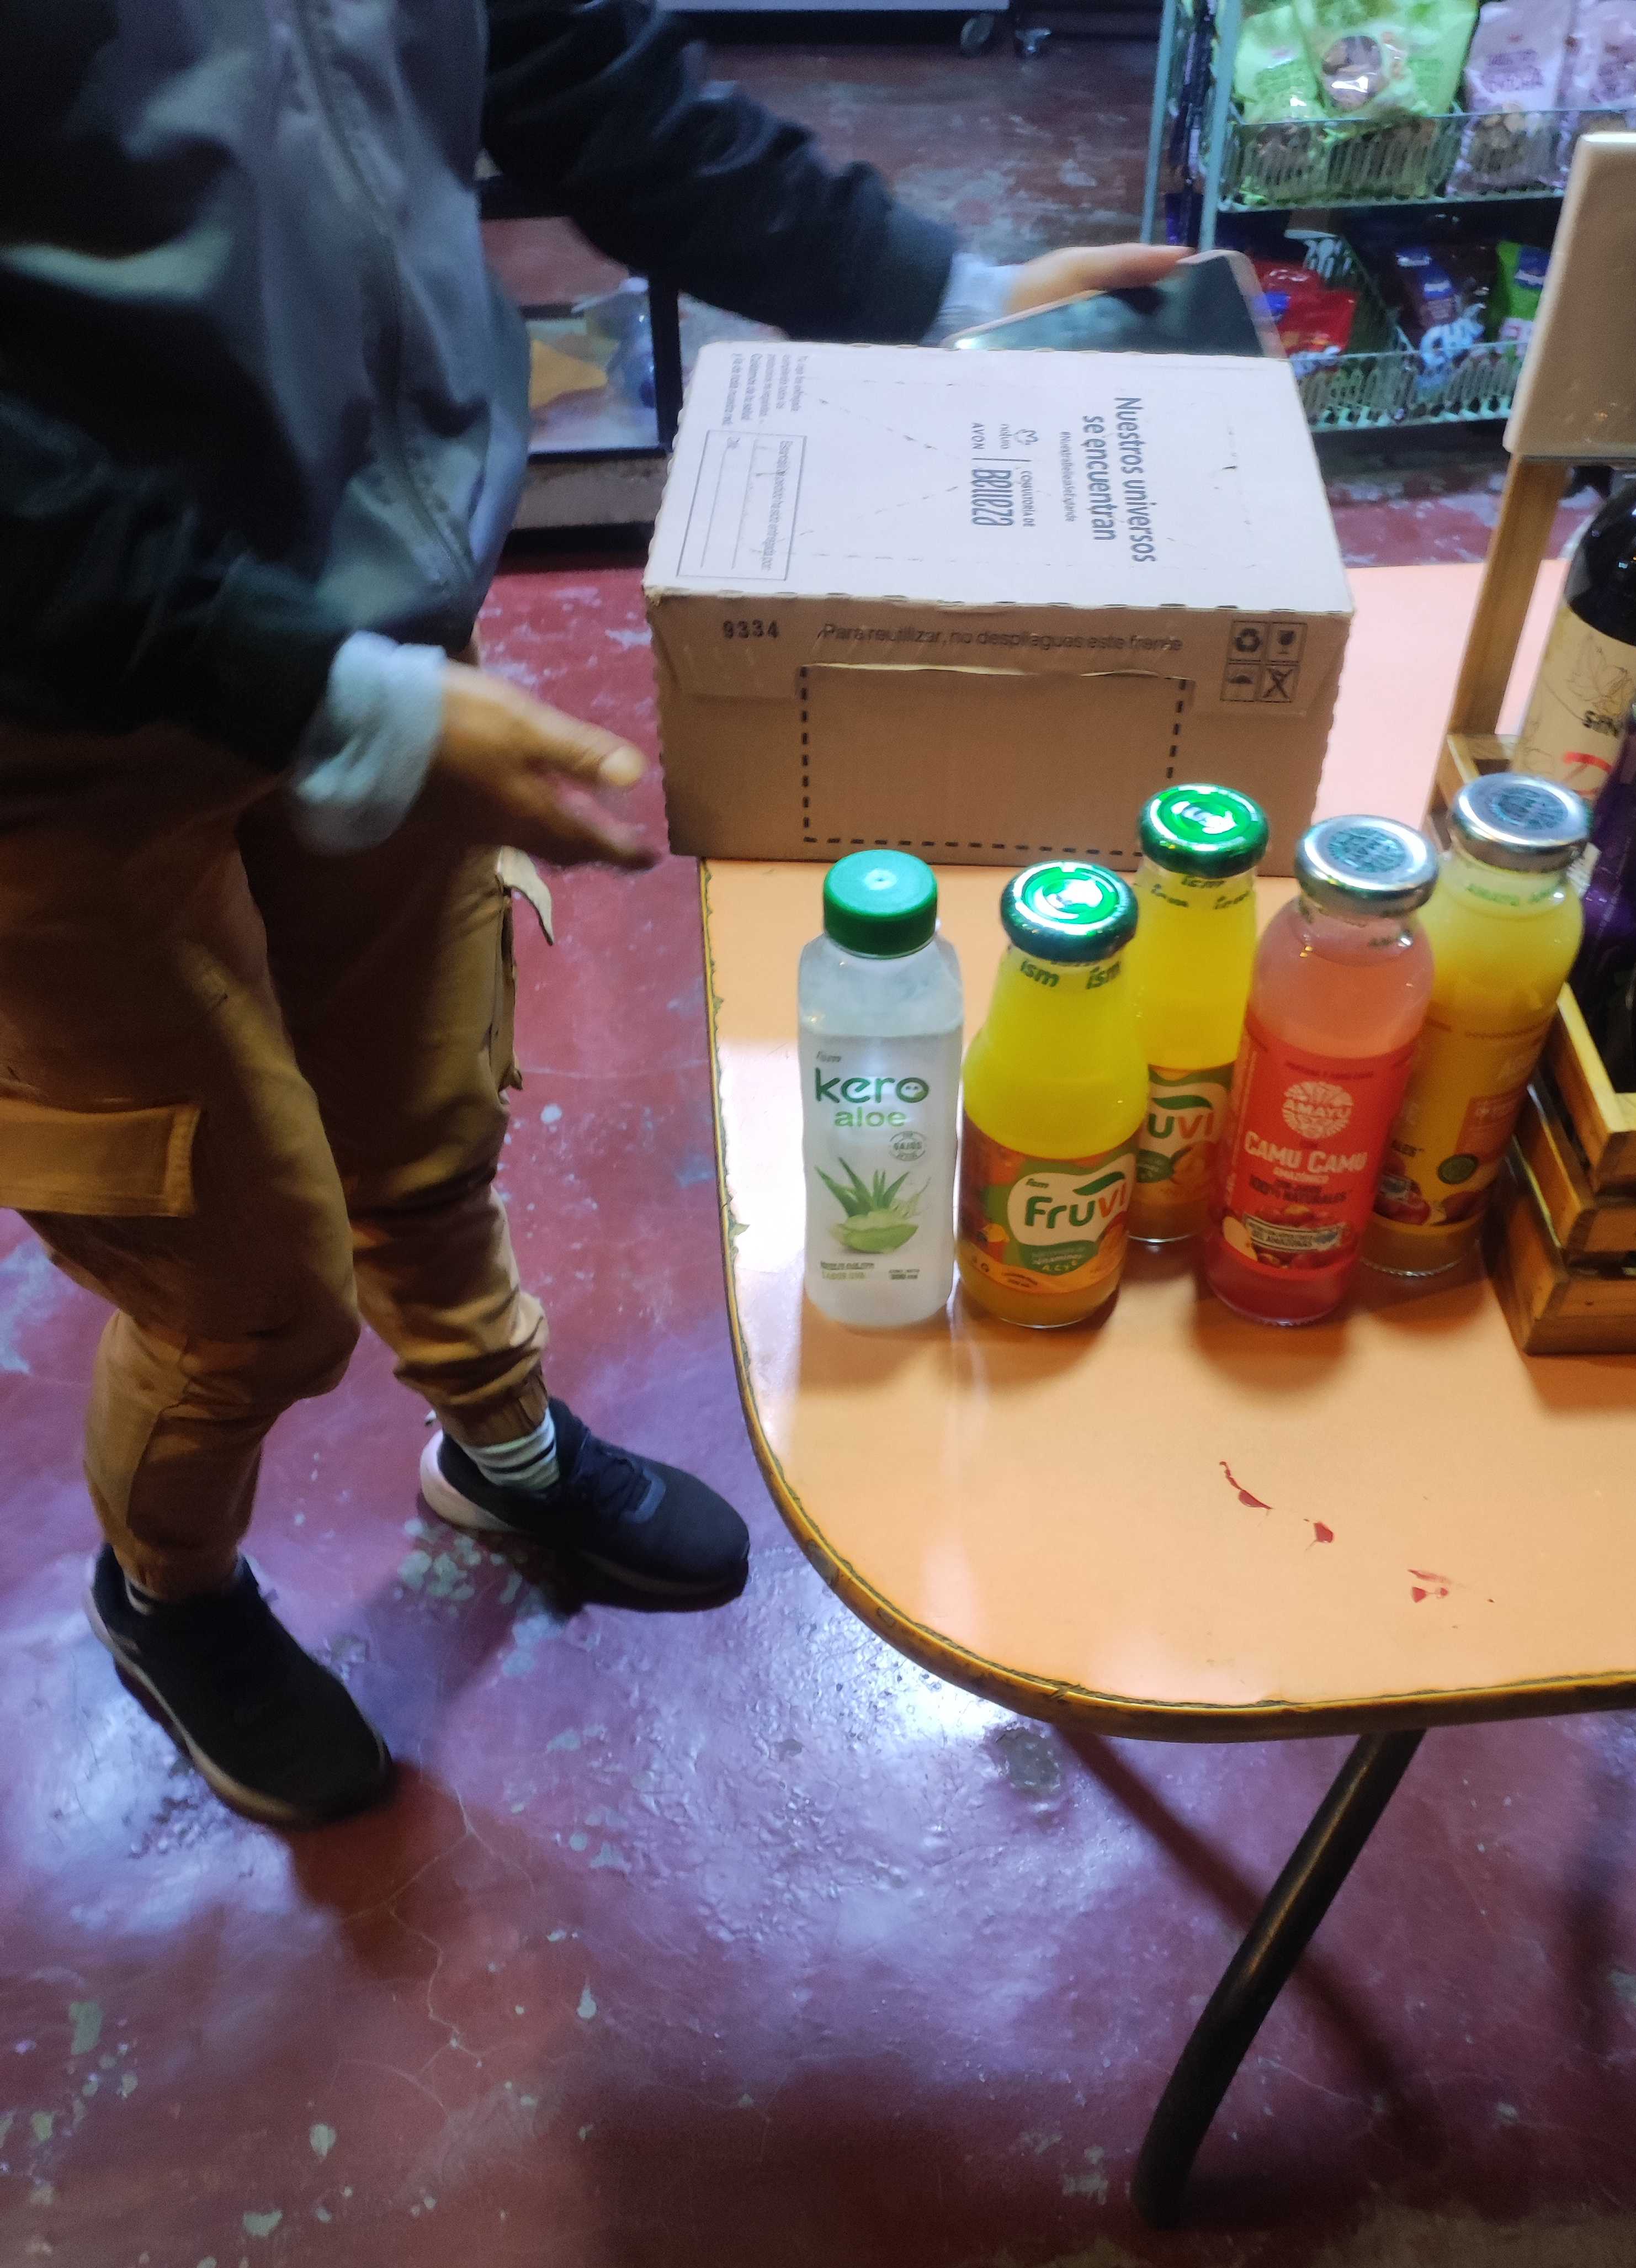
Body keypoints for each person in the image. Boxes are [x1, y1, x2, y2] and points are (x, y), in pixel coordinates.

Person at [0, 0, 1178, 1829]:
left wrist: (941, 293)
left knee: (426, 1123)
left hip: (380, 617)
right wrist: (317, 691)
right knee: (244, 1296)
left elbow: (573, 72)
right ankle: (170, 1596)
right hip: (54, 737)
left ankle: (504, 1449)